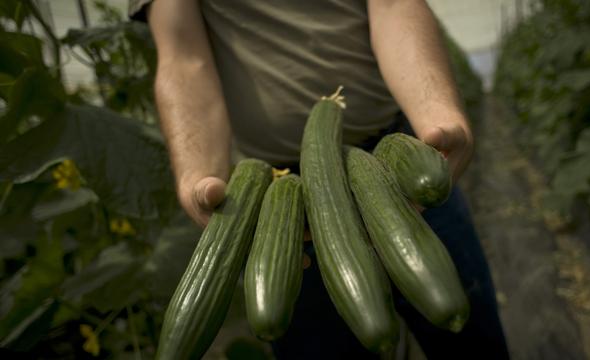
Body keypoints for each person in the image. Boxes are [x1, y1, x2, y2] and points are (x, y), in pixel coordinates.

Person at [130, 0, 510, 358]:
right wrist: (197, 173)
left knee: (470, 340)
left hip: (396, 163)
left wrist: (437, 116)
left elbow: (394, 5)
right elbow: (183, 55)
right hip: (277, 190)